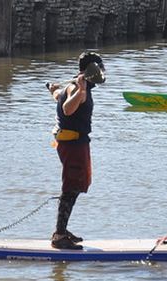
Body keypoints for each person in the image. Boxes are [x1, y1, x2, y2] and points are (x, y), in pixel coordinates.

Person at [47, 51, 105, 250]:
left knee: (76, 185)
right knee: (71, 186)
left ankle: (62, 230)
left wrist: (53, 90)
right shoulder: (78, 88)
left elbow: (58, 97)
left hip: (74, 143)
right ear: (91, 69)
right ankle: (59, 235)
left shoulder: (72, 86)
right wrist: (80, 92)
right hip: (73, 144)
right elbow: (67, 109)